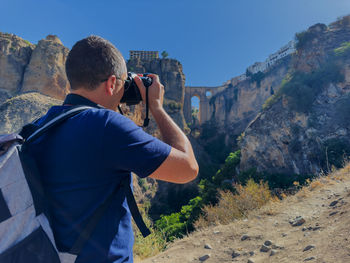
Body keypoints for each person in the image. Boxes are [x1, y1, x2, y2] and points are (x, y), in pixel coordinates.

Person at [28, 35, 198, 263]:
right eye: (122, 83)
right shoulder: (106, 126)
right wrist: (156, 107)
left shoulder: (35, 128)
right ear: (110, 84)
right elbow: (187, 168)